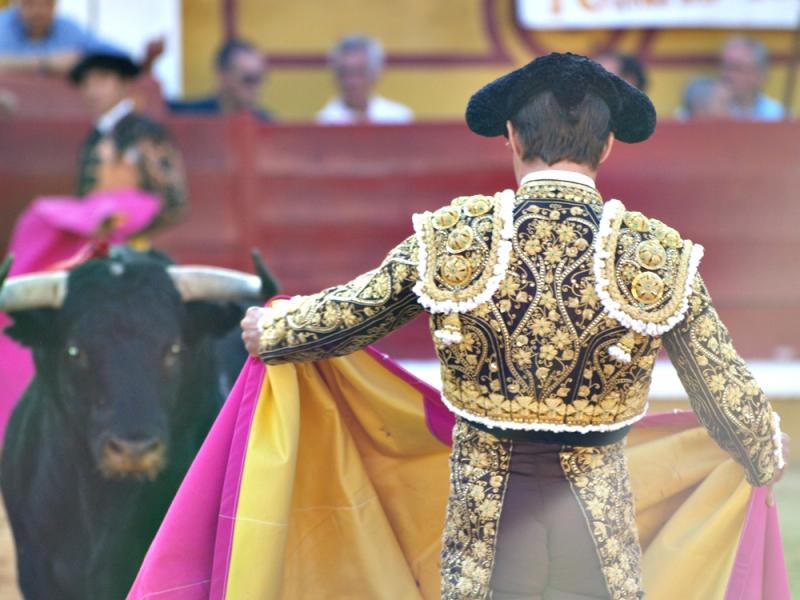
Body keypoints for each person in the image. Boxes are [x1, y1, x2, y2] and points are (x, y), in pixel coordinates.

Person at [241, 52, 787, 599]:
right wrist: (764, 453)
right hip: (597, 533)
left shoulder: (458, 236)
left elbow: (350, 316)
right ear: (608, 145)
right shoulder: (652, 254)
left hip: (487, 530)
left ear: (511, 137)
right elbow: (726, 394)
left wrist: (272, 331)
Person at [70, 46, 187, 236]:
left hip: (138, 245)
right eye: (87, 83)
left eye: (102, 81)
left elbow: (173, 201)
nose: (92, 91)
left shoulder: (145, 133)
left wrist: (131, 233)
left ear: (124, 84)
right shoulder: (94, 136)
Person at [316, 34, 413, 125]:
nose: (352, 81)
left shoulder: (398, 119)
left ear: (375, 74)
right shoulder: (324, 122)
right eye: (345, 72)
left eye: (360, 72)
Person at [168, 39, 273, 122]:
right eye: (248, 79)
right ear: (222, 77)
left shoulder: (266, 123)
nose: (256, 87)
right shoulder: (189, 116)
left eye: (260, 79)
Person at [0, 0, 97, 75]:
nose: (38, 11)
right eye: (29, 3)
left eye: (46, 3)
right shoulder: (3, 25)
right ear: (16, 4)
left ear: (55, 6)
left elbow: (102, 55)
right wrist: (47, 63)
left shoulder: (69, 29)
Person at [719, 35, 785, 121]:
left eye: (736, 67)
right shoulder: (709, 110)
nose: (727, 74)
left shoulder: (777, 115)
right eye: (725, 66)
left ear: (758, 74)